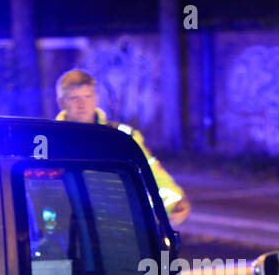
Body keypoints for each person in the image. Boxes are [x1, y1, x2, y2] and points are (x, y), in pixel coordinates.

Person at [55, 69, 190, 225]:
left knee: (163, 249)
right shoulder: (48, 140)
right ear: (61, 102)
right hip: (68, 226)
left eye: (87, 96)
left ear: (96, 98)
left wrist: (174, 203)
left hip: (118, 225)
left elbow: (149, 171)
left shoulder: (122, 136)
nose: (82, 104)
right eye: (74, 98)